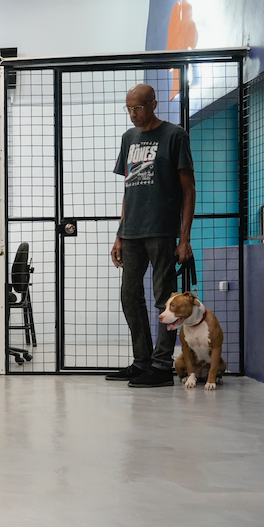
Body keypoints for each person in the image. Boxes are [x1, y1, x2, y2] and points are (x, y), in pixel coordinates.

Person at [107, 83, 195, 387]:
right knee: (129, 295)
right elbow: (128, 189)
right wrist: (119, 234)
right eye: (129, 108)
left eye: (139, 108)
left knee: (163, 299)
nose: (133, 114)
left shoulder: (174, 135)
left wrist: (184, 238)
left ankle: (161, 367)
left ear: (153, 104)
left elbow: (188, 188)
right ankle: (141, 361)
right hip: (131, 231)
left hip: (161, 230)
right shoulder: (128, 138)